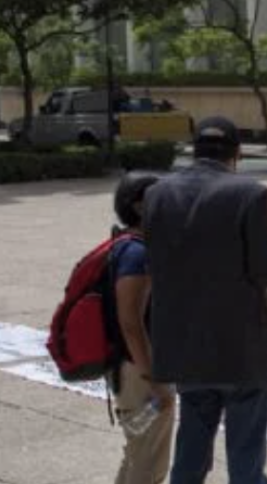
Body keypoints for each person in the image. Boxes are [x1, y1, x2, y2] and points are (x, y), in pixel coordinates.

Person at [144, 116, 267, 484]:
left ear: (194, 150)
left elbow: (162, 262)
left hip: (186, 345)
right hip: (241, 348)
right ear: (237, 153)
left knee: (190, 449)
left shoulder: (157, 194)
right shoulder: (252, 194)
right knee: (246, 459)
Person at [111, 172, 175, 484]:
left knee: (138, 455)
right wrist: (155, 380)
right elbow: (131, 323)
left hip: (131, 365)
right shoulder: (137, 254)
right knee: (149, 465)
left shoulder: (126, 244)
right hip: (139, 369)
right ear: (139, 206)